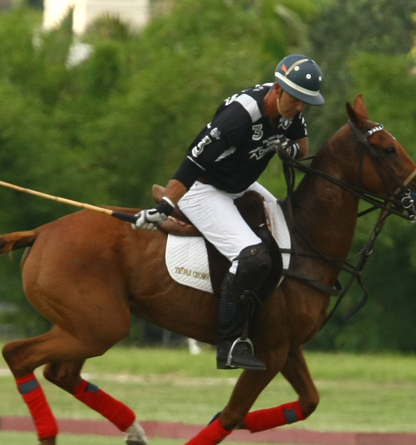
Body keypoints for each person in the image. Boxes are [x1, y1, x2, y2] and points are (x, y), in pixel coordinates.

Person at [133, 54, 325, 370]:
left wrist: (289, 149)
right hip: (204, 189)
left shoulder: (291, 108)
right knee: (252, 256)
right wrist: (166, 206)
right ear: (278, 89)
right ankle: (231, 344)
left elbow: (302, 144)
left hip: (241, 185)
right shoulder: (240, 116)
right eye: (297, 99)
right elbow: (193, 161)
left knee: (289, 236)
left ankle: (267, 321)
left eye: (307, 102)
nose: (301, 107)